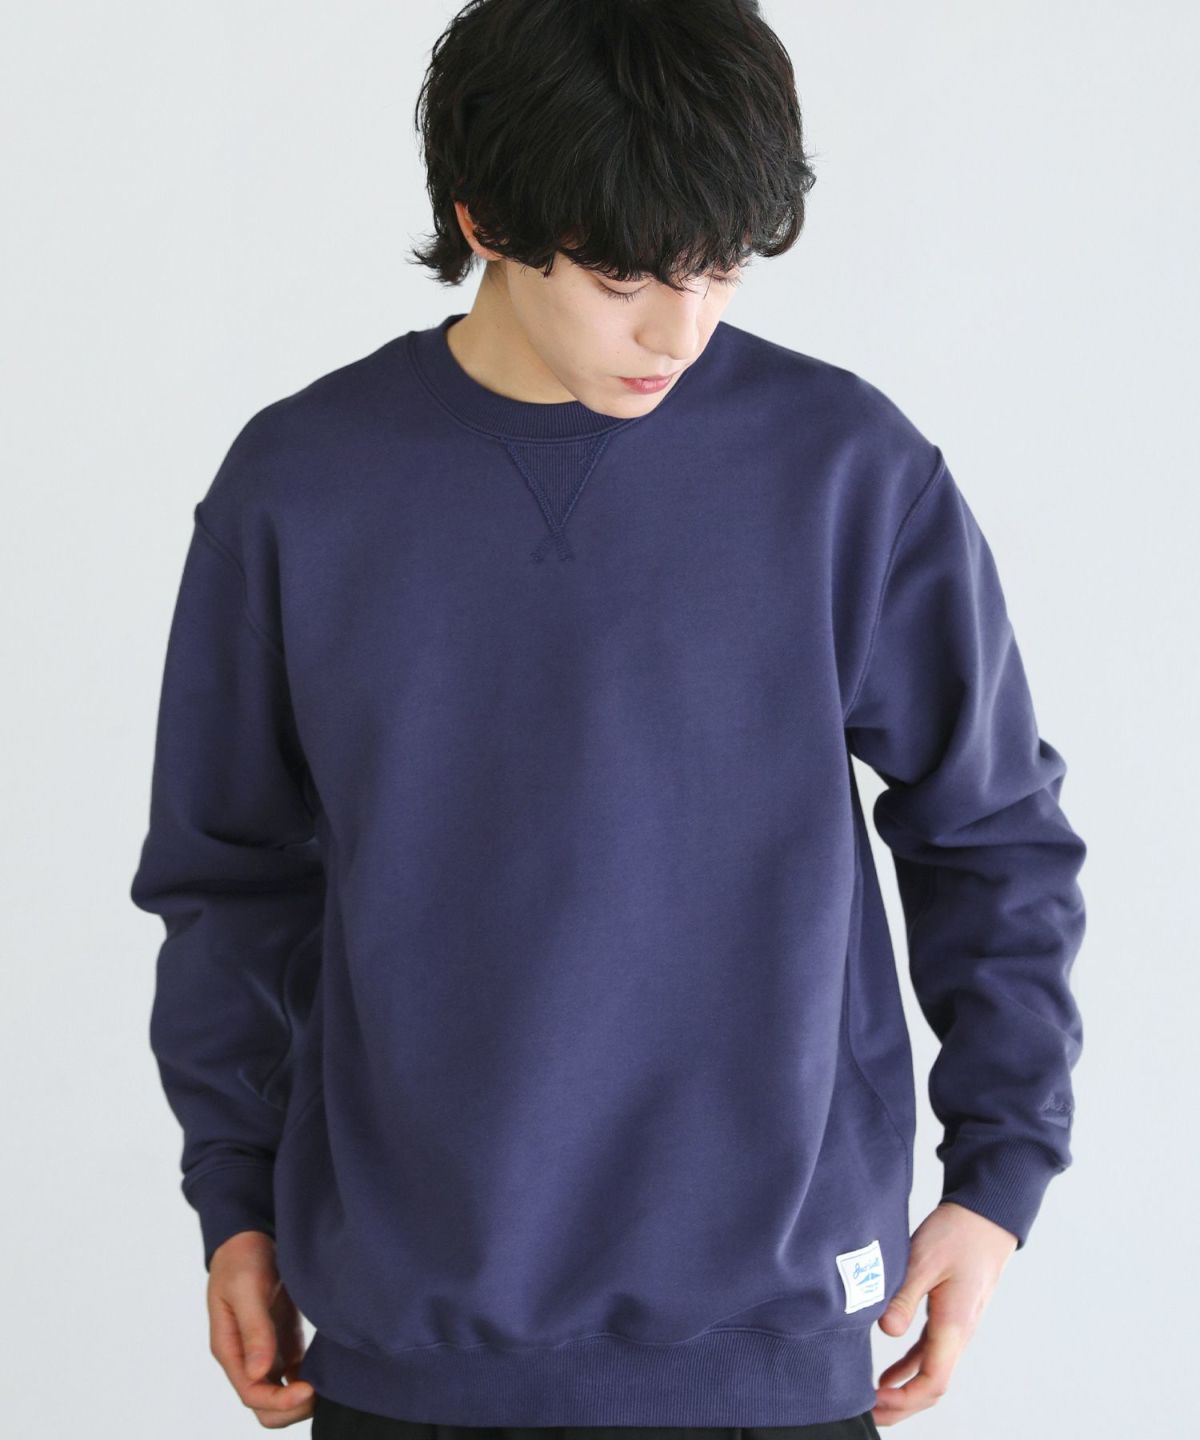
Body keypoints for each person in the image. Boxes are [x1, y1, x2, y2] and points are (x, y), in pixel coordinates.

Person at [128, 0, 1087, 1435]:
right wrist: (235, 1199)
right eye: (623, 274)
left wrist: (999, 1179)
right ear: (483, 218)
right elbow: (228, 879)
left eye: (719, 267)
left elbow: (992, 832)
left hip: (773, 1343)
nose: (678, 328)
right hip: (412, 1351)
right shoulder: (301, 489)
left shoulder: (846, 471)